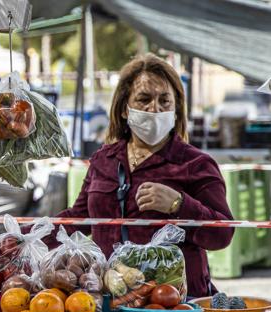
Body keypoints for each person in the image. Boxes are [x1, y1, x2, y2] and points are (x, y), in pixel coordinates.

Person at [46, 54, 234, 297]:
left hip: (175, 300)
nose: (154, 109)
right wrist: (30, 236)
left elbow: (223, 234)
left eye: (164, 101)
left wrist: (179, 204)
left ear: (176, 109)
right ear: (125, 109)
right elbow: (79, 217)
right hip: (112, 295)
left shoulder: (196, 163)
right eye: (144, 99)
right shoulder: (104, 160)